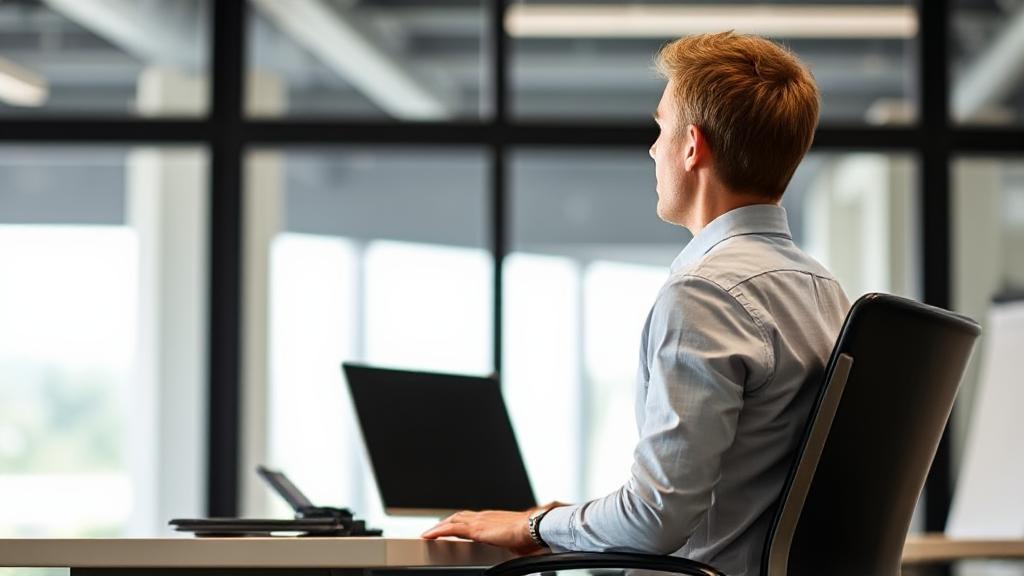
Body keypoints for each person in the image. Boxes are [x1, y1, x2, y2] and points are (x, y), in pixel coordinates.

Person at [422, 31, 851, 576]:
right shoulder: (822, 289)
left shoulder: (706, 293)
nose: (653, 148)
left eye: (660, 127)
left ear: (692, 146)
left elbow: (655, 517)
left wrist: (534, 524)